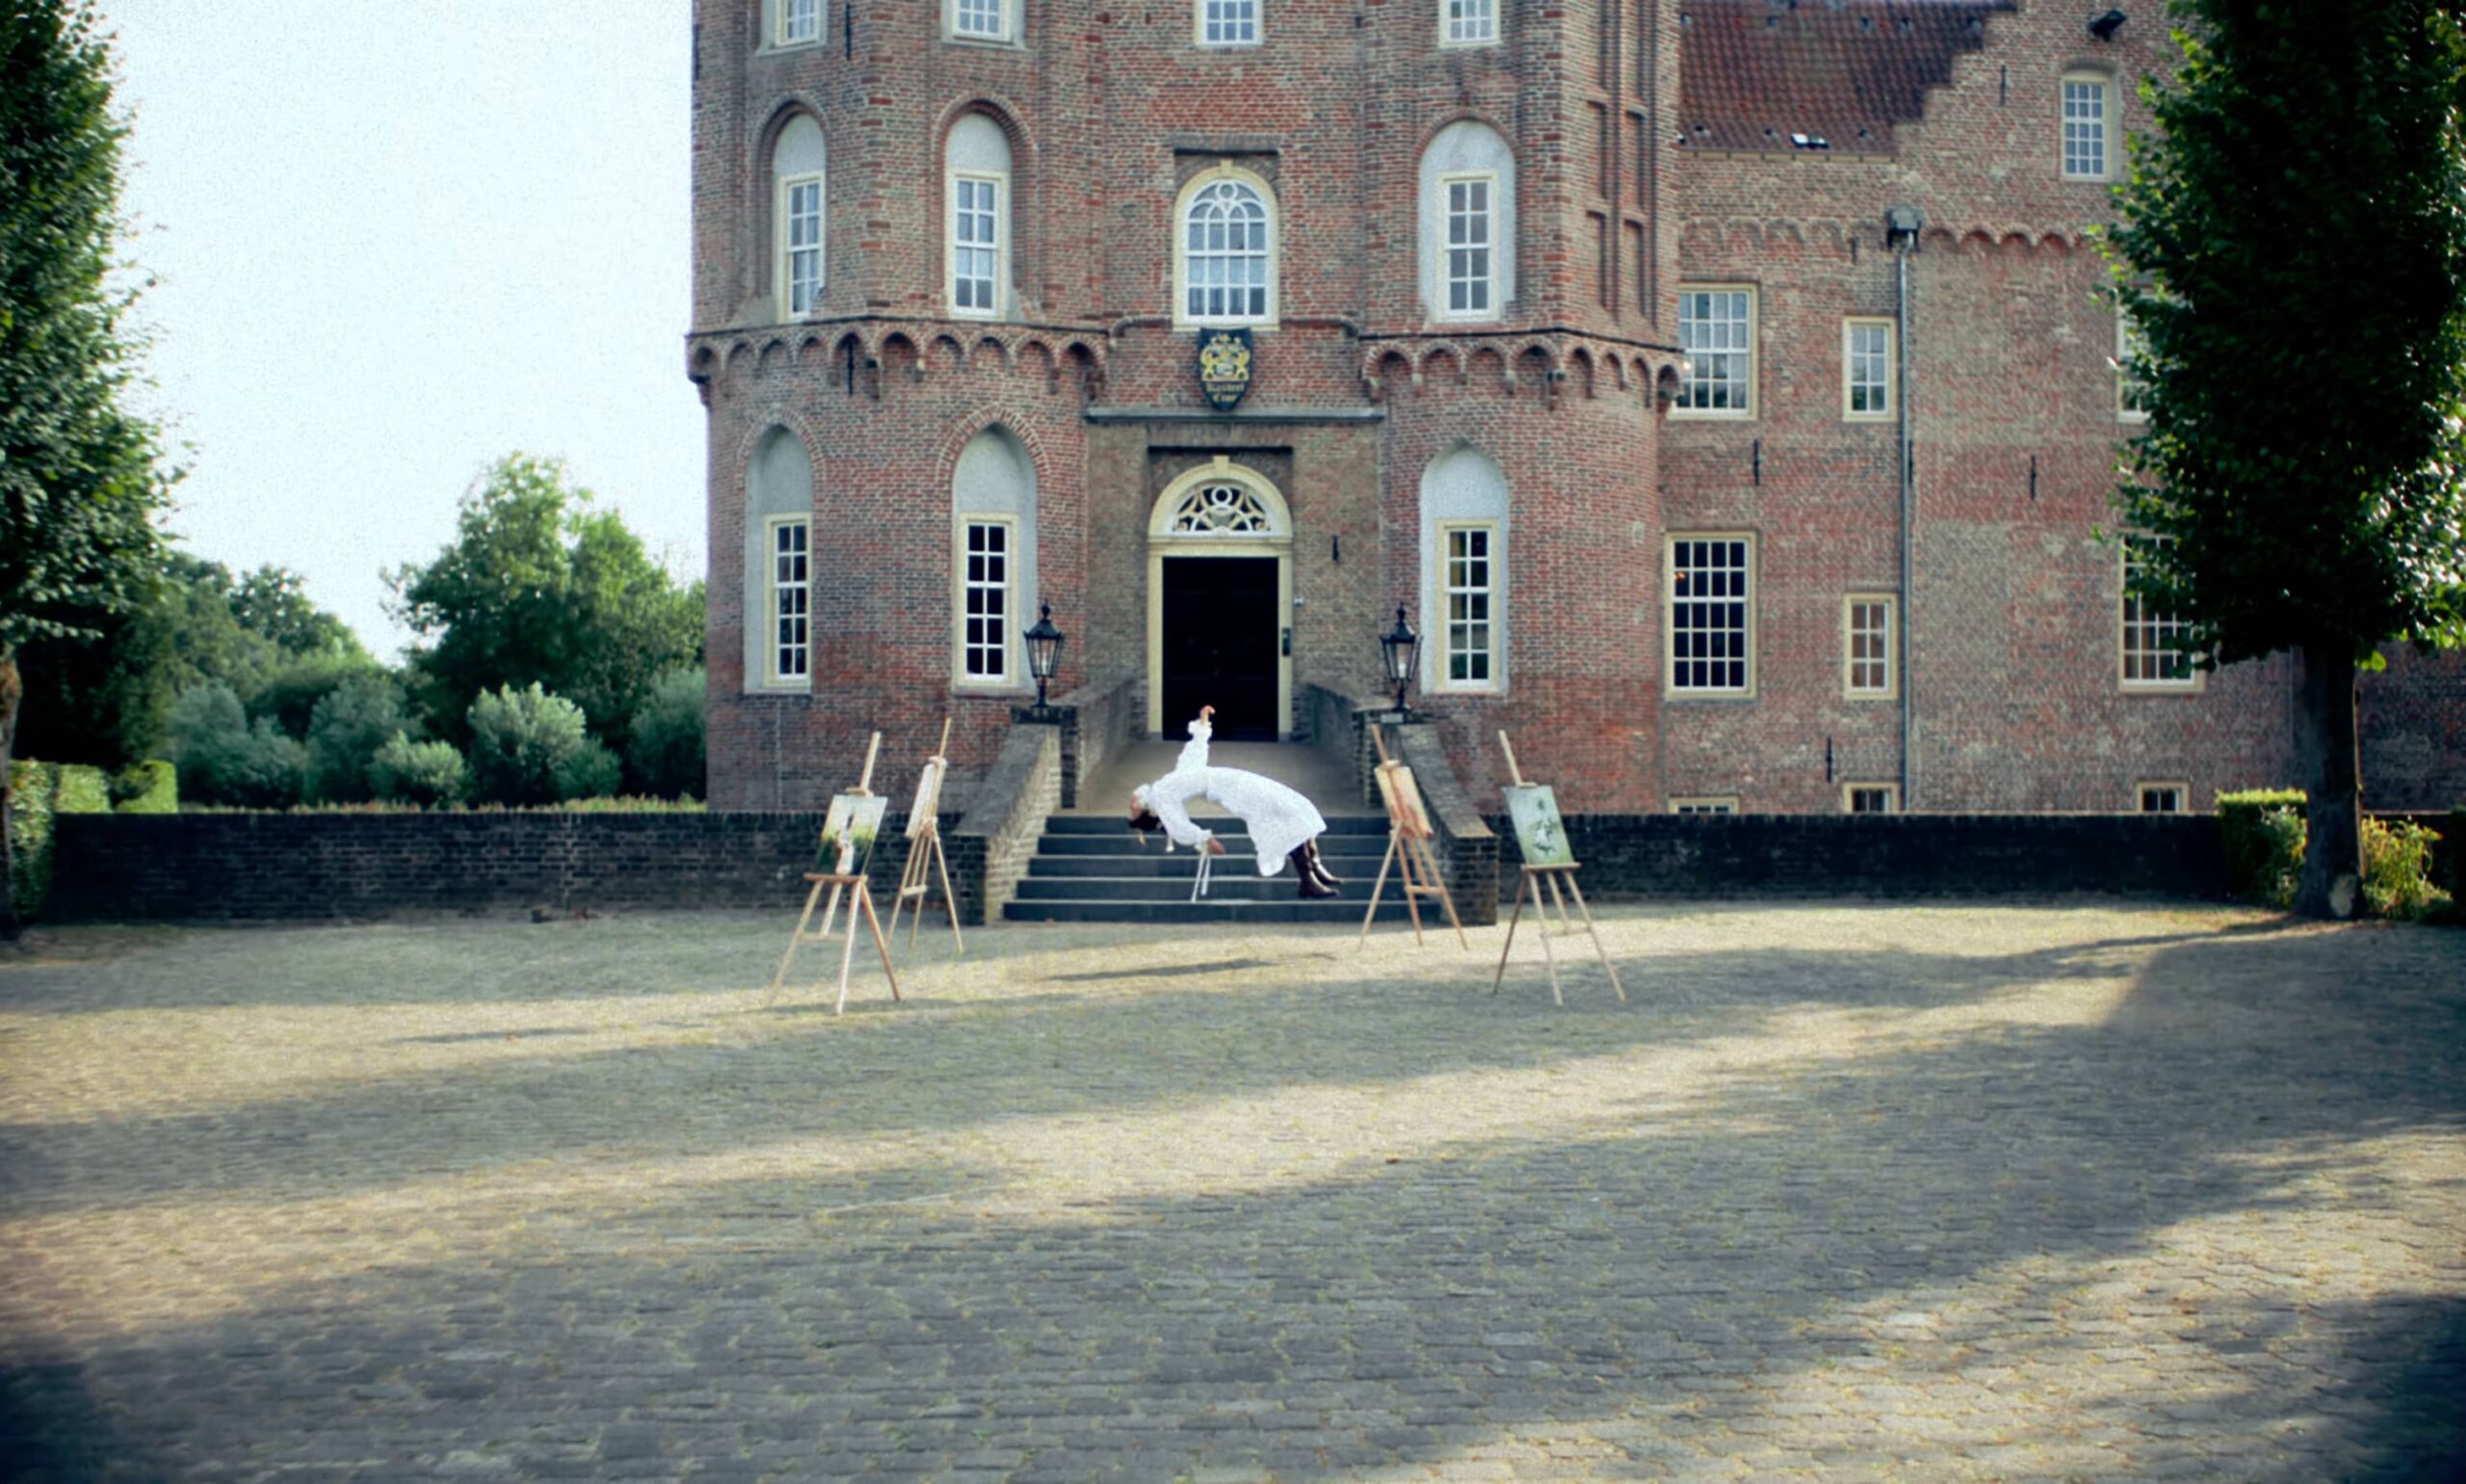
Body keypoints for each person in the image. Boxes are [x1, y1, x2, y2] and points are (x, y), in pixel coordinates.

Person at [1128, 706, 1344, 898]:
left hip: (1231, 780)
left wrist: (1202, 726)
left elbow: (1191, 762)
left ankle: (1315, 867)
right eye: (1133, 813)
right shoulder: (1162, 797)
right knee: (1282, 812)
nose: (1131, 806)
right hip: (1231, 790)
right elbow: (1178, 825)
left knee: (1292, 804)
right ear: (1145, 812)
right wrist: (1205, 838)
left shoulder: (1163, 786)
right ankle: (1307, 880)